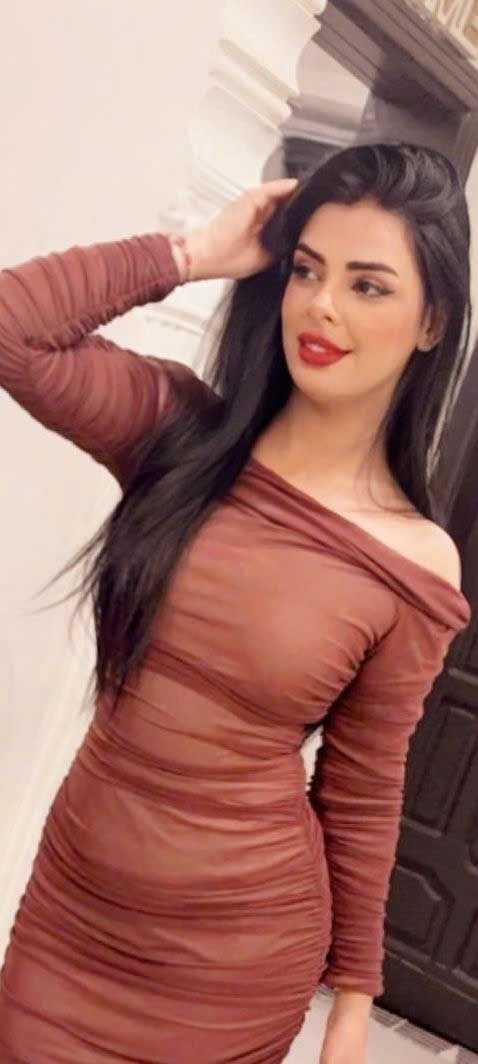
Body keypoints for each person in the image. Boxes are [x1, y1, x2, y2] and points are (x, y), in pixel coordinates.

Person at [0, 142, 472, 1064]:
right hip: (70, 922)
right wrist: (194, 253)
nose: (322, 306)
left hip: (227, 969)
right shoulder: (178, 435)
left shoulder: (413, 562)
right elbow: (14, 329)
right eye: (307, 270)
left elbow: (363, 790)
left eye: (368, 285)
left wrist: (350, 1010)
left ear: (431, 322)